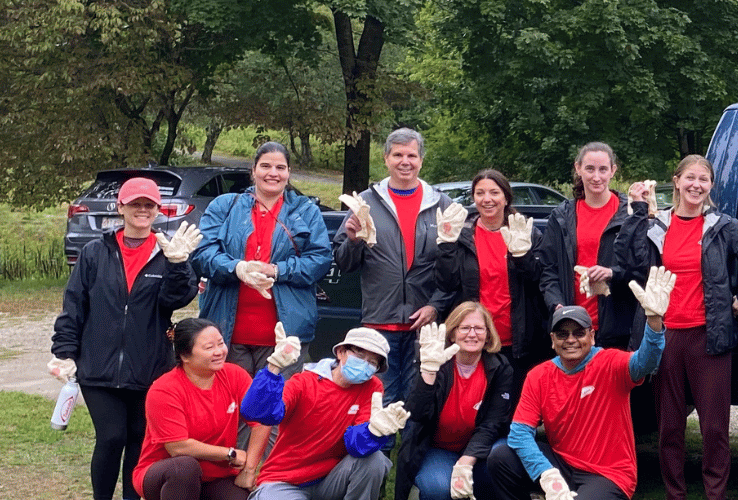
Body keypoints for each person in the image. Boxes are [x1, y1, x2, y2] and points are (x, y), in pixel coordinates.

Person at [619, 155, 738, 500]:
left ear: (710, 186)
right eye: (689, 178)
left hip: (710, 337)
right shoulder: (656, 224)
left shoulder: (721, 226)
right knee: (670, 428)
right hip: (664, 336)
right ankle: (674, 494)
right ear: (676, 181)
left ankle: (715, 494)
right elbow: (628, 261)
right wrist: (637, 211)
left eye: (703, 180)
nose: (696, 185)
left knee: (714, 428)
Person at [50, 176, 200, 500]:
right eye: (135, 204)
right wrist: (64, 351)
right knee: (110, 437)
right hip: (97, 368)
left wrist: (177, 264)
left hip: (148, 366)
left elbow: (175, 300)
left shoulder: (167, 252)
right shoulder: (94, 252)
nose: (142, 210)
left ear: (157, 210)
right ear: (121, 207)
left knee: (139, 438)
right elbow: (74, 304)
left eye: (149, 205)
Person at [488, 289, 672, 500]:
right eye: (562, 334)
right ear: (552, 340)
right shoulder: (538, 376)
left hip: (607, 474)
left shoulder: (610, 363)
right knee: (501, 457)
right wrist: (546, 473)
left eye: (579, 332)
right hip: (562, 465)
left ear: (592, 337)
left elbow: (645, 362)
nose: (571, 339)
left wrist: (654, 322)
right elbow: (519, 433)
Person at [334, 127, 456, 406]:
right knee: (380, 403)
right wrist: (353, 241)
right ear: (386, 159)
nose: (405, 161)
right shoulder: (364, 202)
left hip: (424, 325)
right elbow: (343, 262)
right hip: (379, 323)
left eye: (412, 155)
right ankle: (380, 451)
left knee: (419, 403)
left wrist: (436, 306)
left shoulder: (442, 204)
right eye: (398, 154)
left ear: (421, 160)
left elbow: (454, 269)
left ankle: (411, 452)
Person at [193, 141, 333, 375]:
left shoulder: (305, 210)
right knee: (232, 406)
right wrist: (237, 268)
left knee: (277, 407)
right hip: (227, 334)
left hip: (285, 336)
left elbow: (320, 259)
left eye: (280, 167)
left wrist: (276, 270)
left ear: (288, 173)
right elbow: (202, 253)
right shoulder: (225, 206)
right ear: (253, 170)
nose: (273, 173)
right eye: (266, 166)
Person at [241, 328, 409, 500]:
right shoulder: (304, 381)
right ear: (341, 352)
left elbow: (355, 446)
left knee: (375, 461)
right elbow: (259, 413)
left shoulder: (372, 387)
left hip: (332, 478)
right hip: (285, 480)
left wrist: (373, 432)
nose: (365, 365)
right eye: (360, 356)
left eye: (373, 363)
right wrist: (273, 369)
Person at [394, 302, 518, 500]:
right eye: (465, 328)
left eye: (479, 328)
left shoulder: (501, 368)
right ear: (452, 333)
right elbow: (416, 414)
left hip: (482, 451)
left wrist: (466, 461)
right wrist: (428, 372)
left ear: (487, 335)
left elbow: (493, 423)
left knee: (501, 461)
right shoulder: (434, 359)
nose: (472, 334)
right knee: (439, 488)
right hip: (438, 449)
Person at [132, 318, 254, 500]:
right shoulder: (164, 389)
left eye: (220, 343)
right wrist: (230, 454)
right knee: (184, 468)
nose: (219, 352)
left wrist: (250, 467)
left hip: (216, 474)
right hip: (166, 471)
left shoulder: (234, 375)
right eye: (208, 348)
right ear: (185, 356)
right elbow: (178, 448)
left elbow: (262, 418)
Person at [434, 169, 547, 363]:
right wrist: (446, 246)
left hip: (518, 342)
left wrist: (522, 257)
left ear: (506, 198)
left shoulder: (526, 233)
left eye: (494, 193)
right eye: (480, 193)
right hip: (475, 340)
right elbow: (447, 284)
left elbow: (538, 282)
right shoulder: (462, 235)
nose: (487, 199)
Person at [537, 142, 639, 357]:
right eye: (590, 169)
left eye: (603, 169)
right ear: (578, 168)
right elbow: (548, 270)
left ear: (613, 171)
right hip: (572, 329)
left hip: (616, 327)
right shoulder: (562, 217)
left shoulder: (629, 215)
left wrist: (612, 273)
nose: (596, 177)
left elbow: (642, 269)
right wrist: (557, 305)